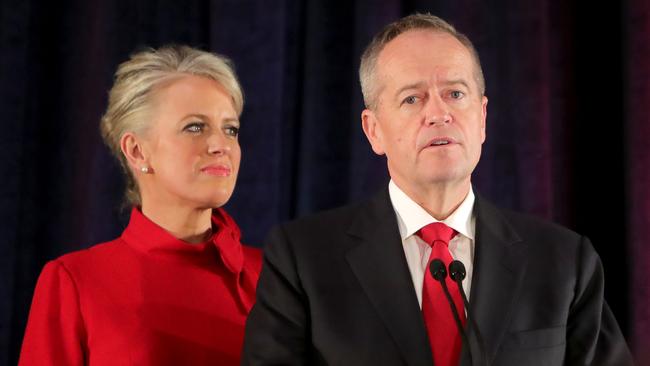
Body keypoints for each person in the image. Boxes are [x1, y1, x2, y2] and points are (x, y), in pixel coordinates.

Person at [242, 13, 634, 366]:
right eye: (412, 98)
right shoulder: (302, 260)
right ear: (373, 130)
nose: (438, 113)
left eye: (455, 93)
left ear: (481, 118)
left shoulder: (565, 262)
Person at [19, 45, 261, 365]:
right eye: (195, 127)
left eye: (230, 129)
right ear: (136, 150)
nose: (221, 145)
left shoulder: (274, 276)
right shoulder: (75, 281)